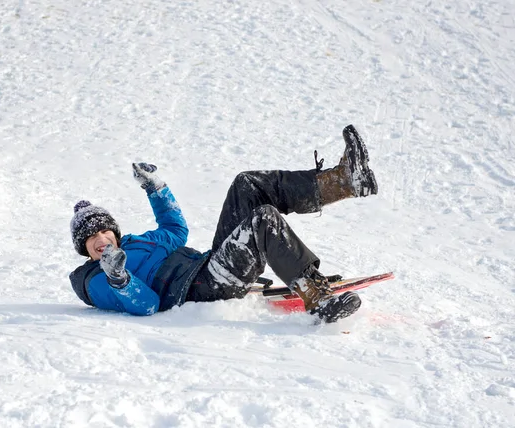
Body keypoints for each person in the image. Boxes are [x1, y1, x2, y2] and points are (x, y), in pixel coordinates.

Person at [69, 125, 378, 323]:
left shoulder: (140, 243)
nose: (100, 238)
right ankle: (317, 298)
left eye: (104, 229)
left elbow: (176, 230)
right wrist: (120, 278)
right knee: (262, 220)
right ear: (84, 248)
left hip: (207, 266)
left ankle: (344, 181)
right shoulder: (94, 280)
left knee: (246, 184)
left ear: (114, 232)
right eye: (91, 237)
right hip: (199, 288)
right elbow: (147, 306)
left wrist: (155, 188)